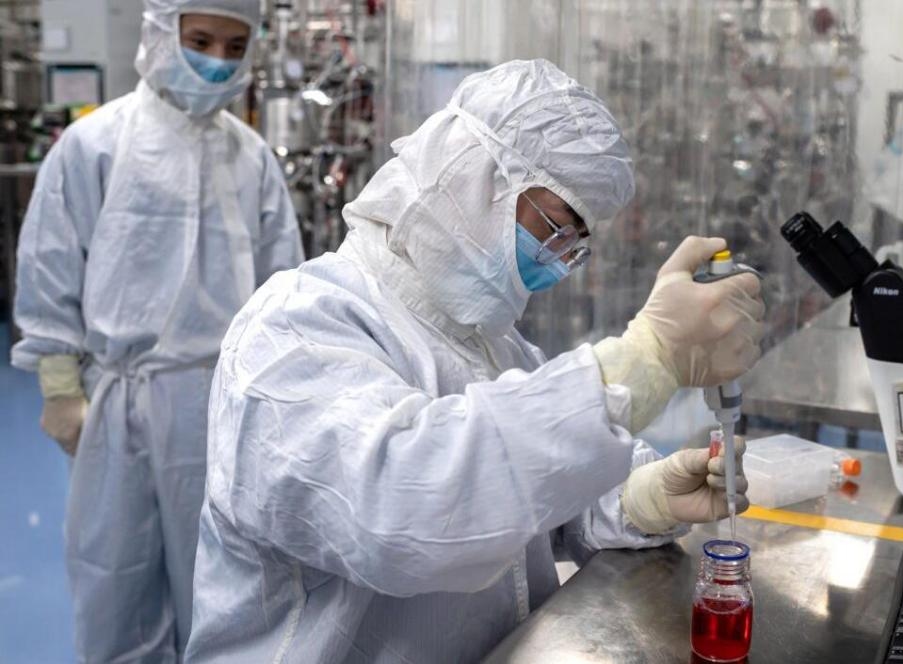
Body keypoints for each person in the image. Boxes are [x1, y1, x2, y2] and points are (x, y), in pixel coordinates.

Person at [185, 59, 763, 663]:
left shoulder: (491, 343)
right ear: (473, 175)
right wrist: (646, 361)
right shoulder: (294, 328)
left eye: (576, 244)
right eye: (555, 228)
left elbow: (526, 502)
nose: (560, 260)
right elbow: (409, 512)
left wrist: (638, 498)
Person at [11, 0, 304, 660]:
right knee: (116, 578)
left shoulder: (252, 158)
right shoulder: (96, 144)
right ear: (160, 32)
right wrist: (61, 387)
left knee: (226, 586)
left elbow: (285, 288)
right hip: (121, 402)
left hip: (228, 404)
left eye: (235, 45)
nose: (216, 60)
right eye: (199, 39)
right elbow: (51, 264)